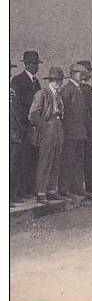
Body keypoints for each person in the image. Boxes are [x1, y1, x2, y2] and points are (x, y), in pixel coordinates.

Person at [28, 67, 65, 203]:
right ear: (50, 81)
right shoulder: (42, 93)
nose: (57, 83)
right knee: (45, 160)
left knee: (56, 159)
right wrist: (44, 128)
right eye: (54, 80)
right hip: (48, 128)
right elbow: (33, 115)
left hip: (58, 127)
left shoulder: (58, 95)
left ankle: (51, 190)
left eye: (59, 80)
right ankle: (41, 192)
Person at [10, 51, 42, 199]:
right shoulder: (18, 80)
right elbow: (17, 107)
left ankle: (28, 189)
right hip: (23, 128)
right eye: (33, 64)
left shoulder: (36, 82)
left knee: (31, 159)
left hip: (33, 129)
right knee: (20, 161)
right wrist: (26, 125)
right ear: (27, 64)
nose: (36, 67)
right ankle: (17, 192)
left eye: (37, 64)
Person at [58, 63, 90, 198]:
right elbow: (62, 111)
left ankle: (77, 188)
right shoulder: (67, 89)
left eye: (83, 74)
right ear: (72, 73)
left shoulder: (79, 89)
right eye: (79, 73)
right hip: (70, 132)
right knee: (68, 161)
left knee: (78, 161)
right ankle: (65, 189)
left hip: (79, 132)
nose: (81, 76)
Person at [77, 60, 92, 194]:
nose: (89, 73)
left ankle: (90, 186)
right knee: (84, 158)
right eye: (87, 71)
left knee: (89, 157)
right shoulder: (82, 88)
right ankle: (86, 186)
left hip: (88, 127)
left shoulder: (87, 88)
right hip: (83, 128)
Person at [10, 61, 23, 205]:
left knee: (13, 166)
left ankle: (11, 196)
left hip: (13, 133)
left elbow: (15, 112)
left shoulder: (11, 90)